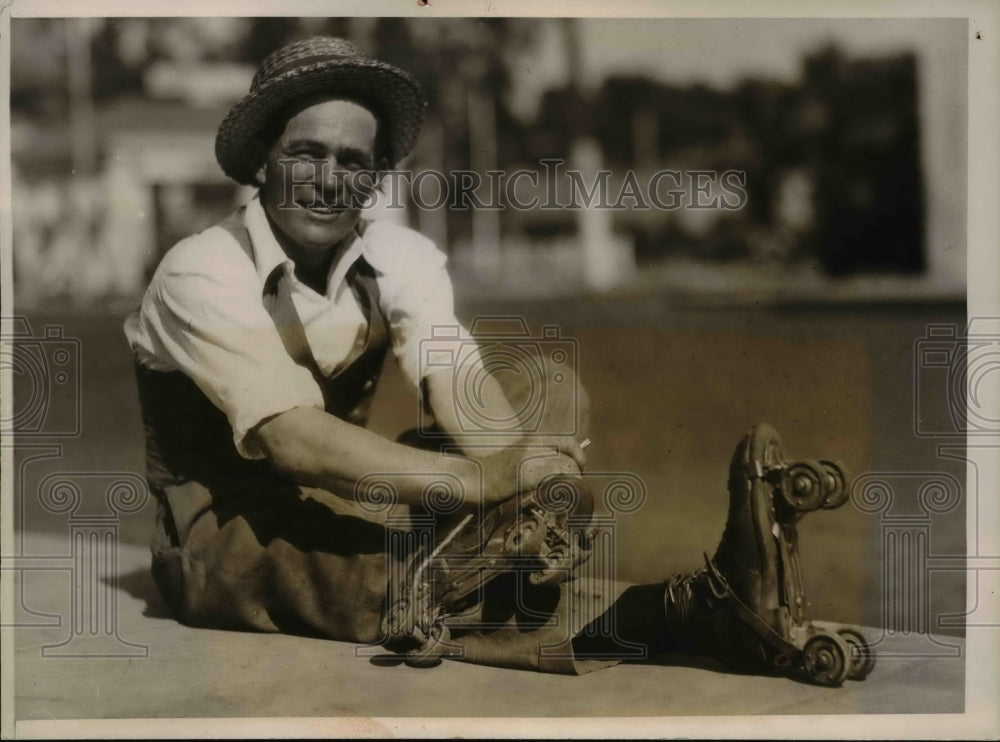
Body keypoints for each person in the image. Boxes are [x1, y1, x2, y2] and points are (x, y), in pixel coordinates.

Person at [125, 36, 871, 683]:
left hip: (344, 503)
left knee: (545, 387)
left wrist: (530, 484)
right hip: (226, 545)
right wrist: (485, 482)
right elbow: (291, 438)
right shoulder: (202, 270)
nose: (328, 179)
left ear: (376, 176)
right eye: (305, 153)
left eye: (353, 161)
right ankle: (698, 609)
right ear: (262, 160)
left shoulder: (397, 256)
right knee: (370, 579)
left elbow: (457, 381)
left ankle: (483, 564)